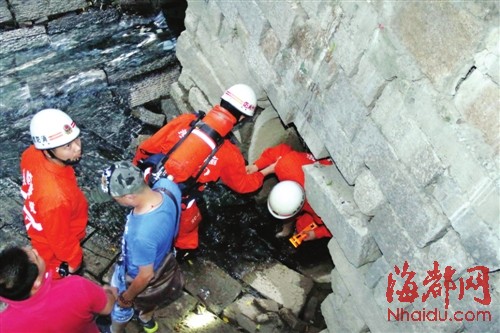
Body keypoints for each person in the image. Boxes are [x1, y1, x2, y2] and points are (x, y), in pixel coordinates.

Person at [133, 84, 274, 254]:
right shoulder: (229, 152)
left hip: (150, 181)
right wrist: (265, 172)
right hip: (180, 200)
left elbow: (147, 147)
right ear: (242, 118)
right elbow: (243, 186)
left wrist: (136, 170)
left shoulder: (187, 121)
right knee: (188, 229)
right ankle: (183, 252)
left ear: (222, 101)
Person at [99, 161, 182, 333]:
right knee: (151, 297)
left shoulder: (140, 234)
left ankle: (115, 329)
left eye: (116, 198)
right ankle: (146, 318)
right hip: (163, 260)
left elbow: (145, 276)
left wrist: (127, 297)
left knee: (122, 308)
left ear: (129, 196)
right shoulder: (167, 186)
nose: (115, 201)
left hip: (136, 274)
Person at [20, 108, 87, 279]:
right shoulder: (55, 198)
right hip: (53, 245)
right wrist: (74, 262)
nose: (77, 148)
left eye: (76, 139)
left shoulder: (31, 154)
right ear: (48, 151)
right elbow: (61, 239)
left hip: (46, 220)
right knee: (58, 276)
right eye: (67, 146)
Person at [0, 245, 116, 332]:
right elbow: (107, 308)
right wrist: (109, 292)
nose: (35, 250)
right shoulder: (76, 287)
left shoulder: (3, 325)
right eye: (35, 257)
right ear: (36, 283)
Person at [246, 143, 333, 243]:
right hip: (307, 172)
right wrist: (256, 166)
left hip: (327, 174)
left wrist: (317, 234)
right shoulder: (286, 166)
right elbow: (279, 150)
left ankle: (289, 230)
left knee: (303, 229)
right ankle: (287, 230)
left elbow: (335, 226)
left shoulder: (321, 210)